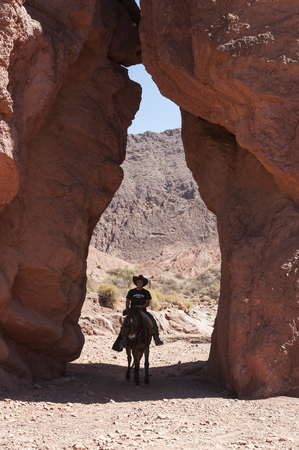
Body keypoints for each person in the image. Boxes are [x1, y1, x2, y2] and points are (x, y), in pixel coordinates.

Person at [119, 274, 164, 348]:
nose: (139, 283)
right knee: (126, 323)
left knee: (152, 321)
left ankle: (157, 338)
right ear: (136, 282)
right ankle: (123, 341)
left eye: (140, 282)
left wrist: (141, 307)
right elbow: (127, 301)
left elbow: (147, 303)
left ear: (143, 283)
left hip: (142, 311)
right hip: (133, 311)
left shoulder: (146, 292)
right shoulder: (131, 291)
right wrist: (127, 309)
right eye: (138, 282)